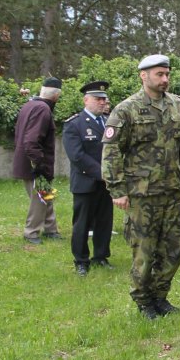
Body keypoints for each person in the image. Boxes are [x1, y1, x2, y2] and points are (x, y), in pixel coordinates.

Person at [102, 55, 180, 319]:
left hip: (171, 191)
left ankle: (160, 296)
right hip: (142, 195)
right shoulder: (126, 109)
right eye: (159, 74)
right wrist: (117, 190)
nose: (165, 79)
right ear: (143, 76)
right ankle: (144, 301)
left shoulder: (177, 105)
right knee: (144, 252)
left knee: (173, 251)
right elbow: (111, 151)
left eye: (167, 74)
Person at [62, 80, 114, 276]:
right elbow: (77, 156)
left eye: (104, 99)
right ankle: (81, 260)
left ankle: (101, 256)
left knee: (104, 221)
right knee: (82, 224)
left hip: (106, 183)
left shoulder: (109, 121)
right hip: (86, 182)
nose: (102, 102)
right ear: (86, 100)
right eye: (97, 99)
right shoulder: (74, 124)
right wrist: (103, 173)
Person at [13, 77, 62, 245]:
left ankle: (51, 230)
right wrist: (39, 164)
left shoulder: (30, 105)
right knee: (39, 199)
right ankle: (31, 232)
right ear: (56, 96)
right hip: (35, 164)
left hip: (29, 161)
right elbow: (31, 140)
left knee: (46, 196)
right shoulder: (42, 109)